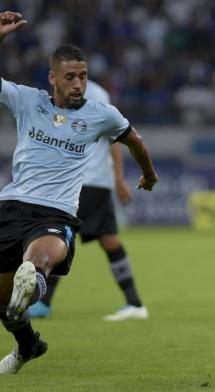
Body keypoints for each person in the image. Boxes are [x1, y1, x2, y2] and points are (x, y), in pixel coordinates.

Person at [0, 11, 158, 374]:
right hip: (11, 206)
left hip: (55, 214)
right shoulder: (27, 101)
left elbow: (133, 139)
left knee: (37, 261)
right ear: (52, 77)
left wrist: (148, 174)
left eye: (83, 77)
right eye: (70, 77)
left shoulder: (101, 114)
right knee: (4, 305)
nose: (78, 84)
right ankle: (29, 345)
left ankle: (36, 282)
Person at [29, 80, 149, 321]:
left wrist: (118, 179)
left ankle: (43, 302)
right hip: (91, 181)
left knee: (58, 233)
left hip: (87, 180)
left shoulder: (96, 94)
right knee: (109, 240)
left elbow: (115, 136)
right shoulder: (58, 96)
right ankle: (134, 303)